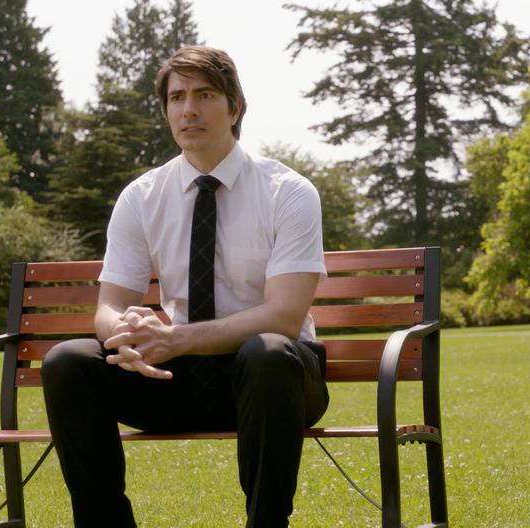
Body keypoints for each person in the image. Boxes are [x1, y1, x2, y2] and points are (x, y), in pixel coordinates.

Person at [40, 45, 329, 527]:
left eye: (205, 94)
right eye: (176, 98)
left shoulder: (289, 192)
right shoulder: (141, 197)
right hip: (178, 381)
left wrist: (174, 339)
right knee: (69, 361)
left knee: (268, 351)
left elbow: (284, 315)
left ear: (235, 108)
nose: (188, 109)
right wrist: (125, 333)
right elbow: (108, 307)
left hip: (275, 385)